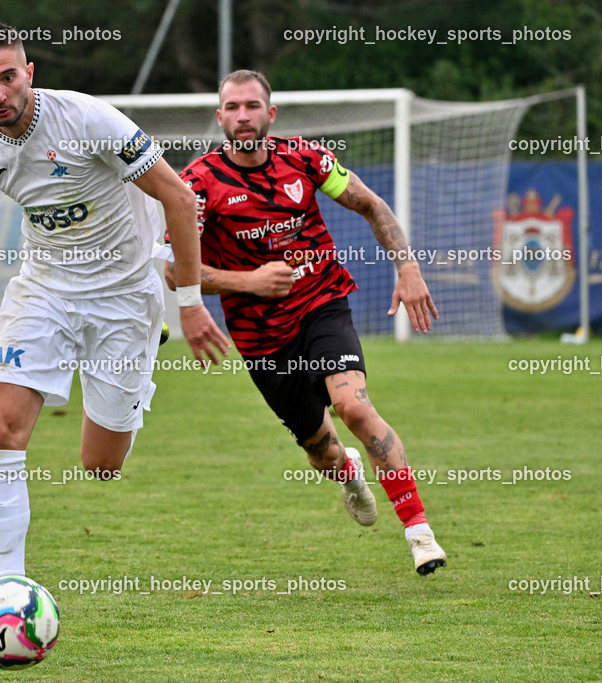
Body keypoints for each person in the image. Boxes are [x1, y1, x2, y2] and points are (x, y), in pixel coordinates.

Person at [0, 21, 229, 579]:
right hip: (43, 291)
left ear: (29, 72)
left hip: (124, 297)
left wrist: (187, 301)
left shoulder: (89, 119)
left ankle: (138, 375)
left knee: (101, 466)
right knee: (2, 431)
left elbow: (180, 199)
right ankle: (9, 587)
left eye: (9, 77)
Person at [166, 69, 446, 575]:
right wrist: (250, 282)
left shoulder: (307, 158)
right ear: (220, 117)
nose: (243, 116)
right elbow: (174, 269)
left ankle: (419, 532)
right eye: (233, 107)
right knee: (322, 451)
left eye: (253, 106)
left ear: (270, 114)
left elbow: (370, 204)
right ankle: (347, 474)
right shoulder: (198, 185)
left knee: (354, 408)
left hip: (322, 304)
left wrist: (407, 265)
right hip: (259, 338)